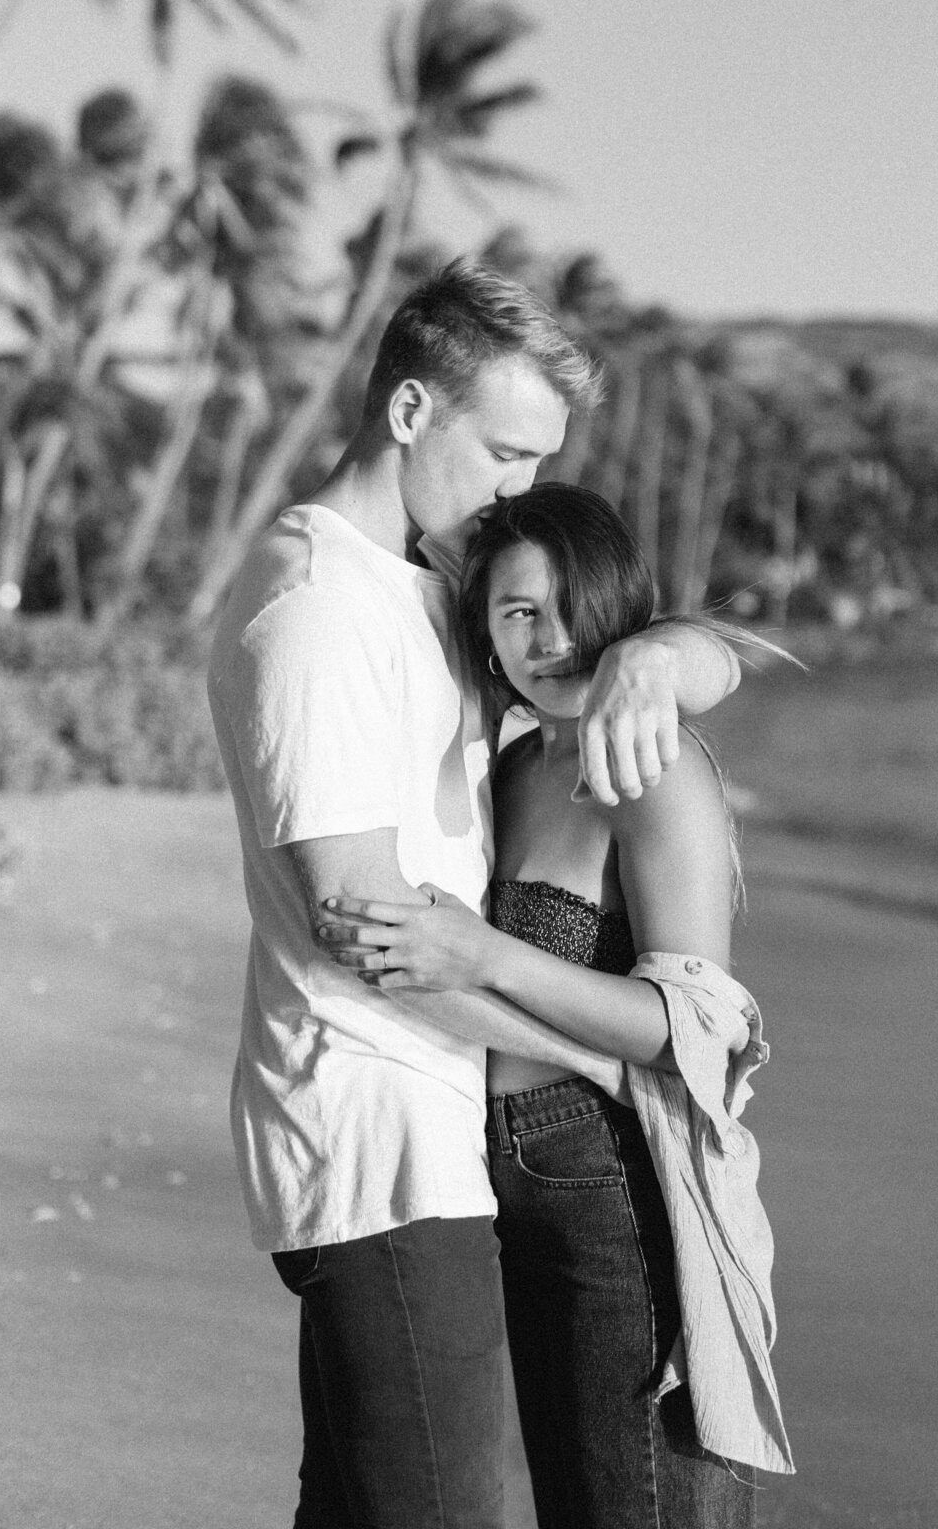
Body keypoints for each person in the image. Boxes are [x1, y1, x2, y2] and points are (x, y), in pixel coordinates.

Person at [207, 262, 744, 1529]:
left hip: (435, 1133)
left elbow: (685, 647)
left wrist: (659, 658)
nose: (523, 488)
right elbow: (370, 929)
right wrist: (606, 1064)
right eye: (505, 451)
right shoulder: (317, 605)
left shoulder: (421, 590)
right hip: (373, 1124)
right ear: (409, 414)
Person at [321, 482, 795, 1529]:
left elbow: (690, 1032)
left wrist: (480, 953)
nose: (553, 636)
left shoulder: (656, 770)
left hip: (615, 1186)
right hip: (508, 1179)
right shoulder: (512, 760)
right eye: (518, 612)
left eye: (574, 604)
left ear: (622, 610)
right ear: (484, 634)